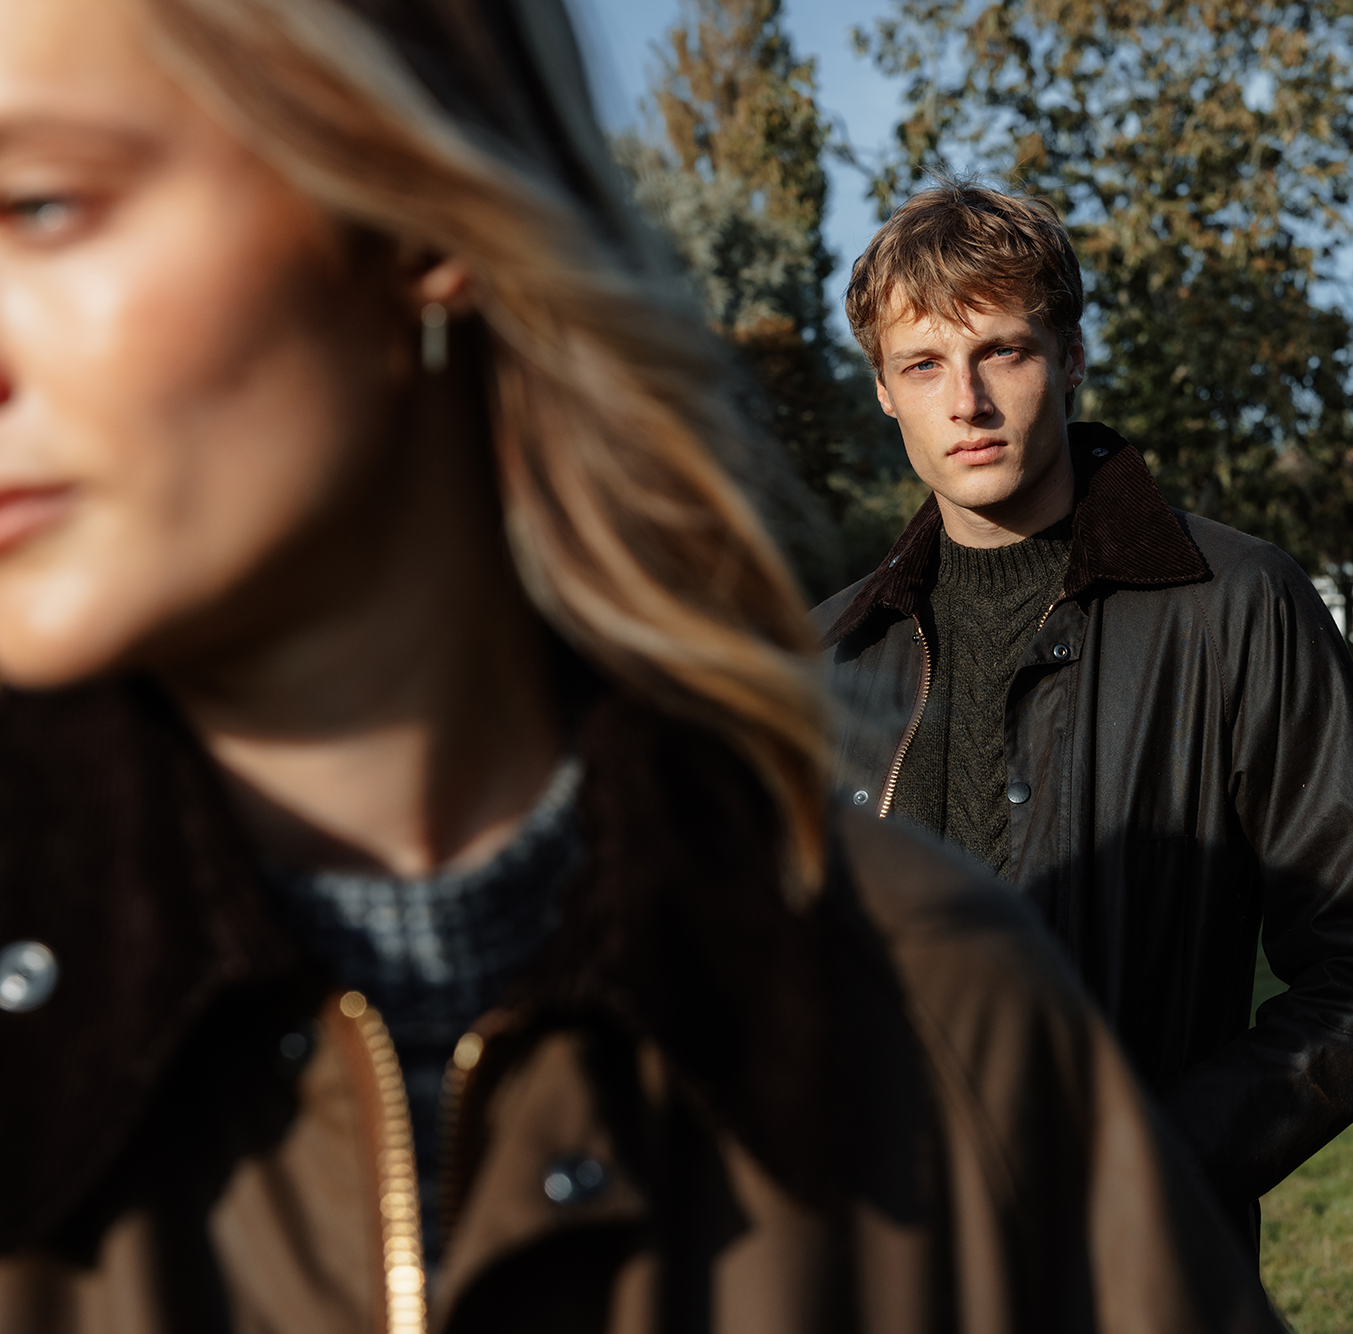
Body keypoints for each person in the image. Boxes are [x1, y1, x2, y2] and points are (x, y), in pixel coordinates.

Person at [0, 1, 1282, 1330]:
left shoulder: (940, 1007)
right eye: (924, 363)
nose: (966, 398)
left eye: (40, 207)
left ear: (424, 202)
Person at [814, 182, 1353, 1255]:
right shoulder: (822, 656)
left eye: (1002, 352)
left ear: (1067, 359)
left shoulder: (1234, 603)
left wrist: (1143, 1165)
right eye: (924, 364)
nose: (964, 401)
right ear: (883, 390)